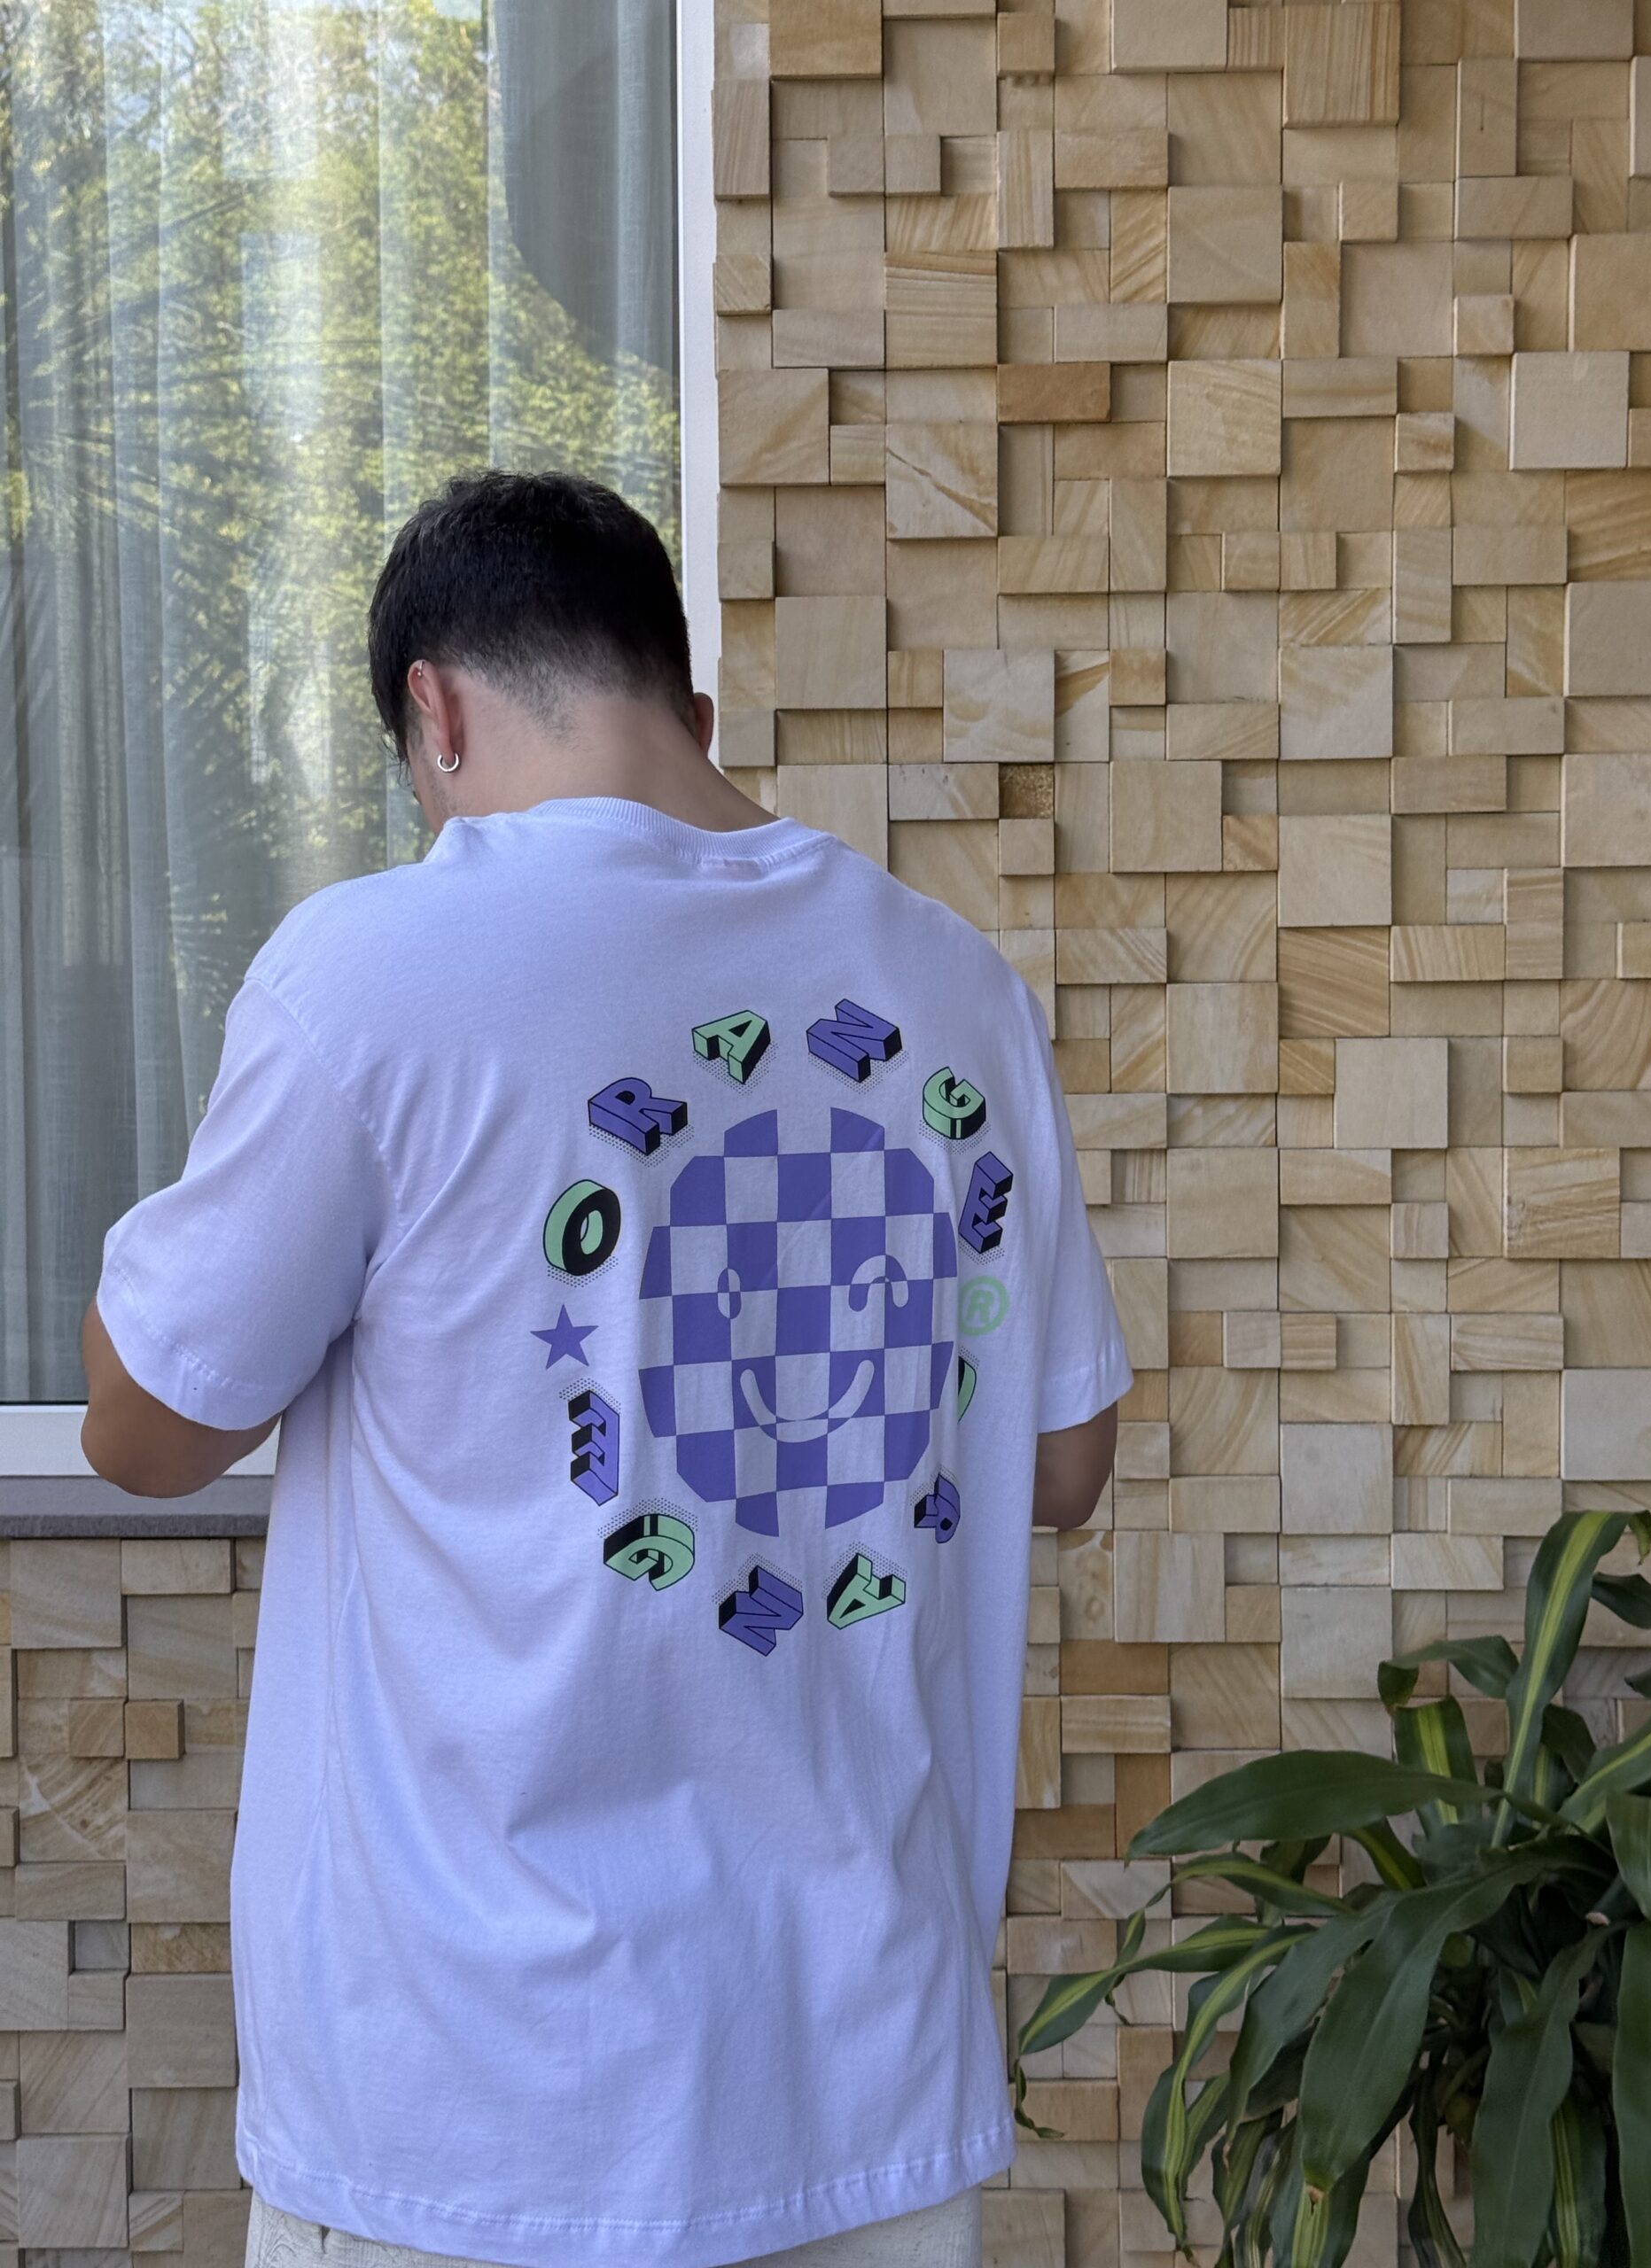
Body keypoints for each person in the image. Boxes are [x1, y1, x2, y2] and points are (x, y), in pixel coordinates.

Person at [81, 470, 1132, 2268]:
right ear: (687, 708)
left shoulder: (373, 975)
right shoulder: (957, 988)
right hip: (856, 2083)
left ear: (435, 711)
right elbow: (1063, 1463)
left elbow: (147, 1427)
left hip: (479, 2098)